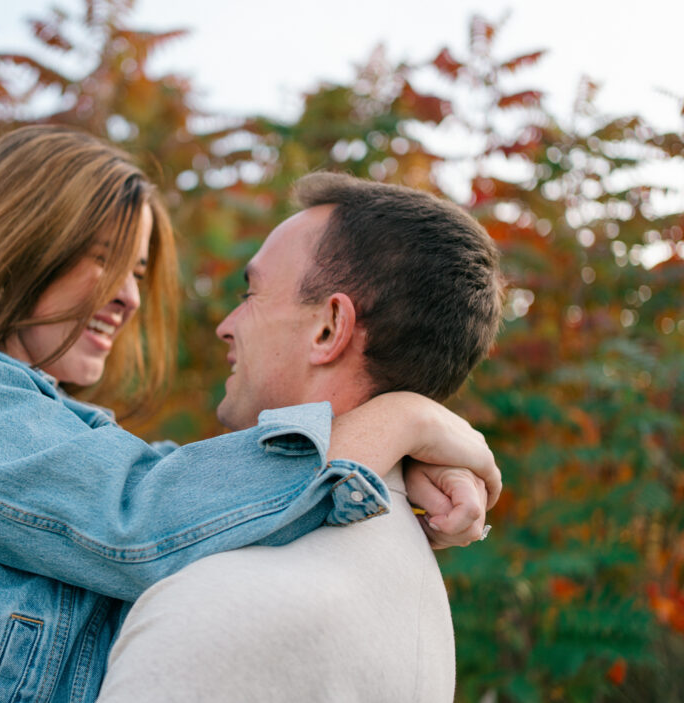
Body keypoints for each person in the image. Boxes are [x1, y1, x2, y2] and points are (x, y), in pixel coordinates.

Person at [0, 126, 499, 702]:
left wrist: (398, 460)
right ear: (13, 246)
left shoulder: (62, 427)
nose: (127, 296)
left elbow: (186, 502)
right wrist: (403, 420)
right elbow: (144, 517)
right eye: (102, 257)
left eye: (139, 272)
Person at [98, 173, 504, 702]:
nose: (226, 325)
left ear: (328, 329)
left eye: (251, 294)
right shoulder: (416, 589)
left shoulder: (221, 605)